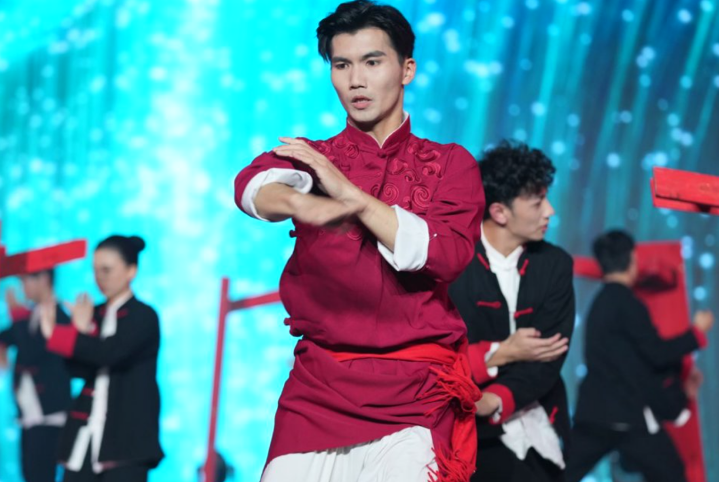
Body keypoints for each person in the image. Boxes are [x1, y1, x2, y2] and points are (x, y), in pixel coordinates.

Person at [233, 1, 485, 481]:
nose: (355, 80)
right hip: (318, 389)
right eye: (341, 65)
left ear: (406, 69)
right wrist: (302, 203)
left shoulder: (451, 163)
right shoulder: (314, 157)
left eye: (372, 62)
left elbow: (445, 254)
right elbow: (253, 186)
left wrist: (352, 198)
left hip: (415, 393)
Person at [448, 140, 574, 482]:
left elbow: (550, 353)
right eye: (537, 202)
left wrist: (495, 398)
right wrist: (500, 352)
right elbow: (437, 357)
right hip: (461, 432)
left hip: (535, 422)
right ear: (500, 212)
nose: (550, 211)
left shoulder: (556, 264)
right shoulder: (452, 262)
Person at [565, 230, 713, 482]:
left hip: (594, 414)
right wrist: (696, 333)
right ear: (632, 259)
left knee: (559, 474)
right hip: (627, 415)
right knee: (673, 475)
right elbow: (657, 354)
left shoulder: (598, 303)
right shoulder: (628, 303)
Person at [40, 235, 163, 482]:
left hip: (126, 441)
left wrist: (71, 335)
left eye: (107, 270)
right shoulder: (94, 312)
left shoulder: (144, 316)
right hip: (85, 435)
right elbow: (77, 369)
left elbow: (110, 353)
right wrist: (78, 331)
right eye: (96, 270)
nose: (100, 278)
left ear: (131, 271)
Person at [0, 269, 71, 482]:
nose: (23, 288)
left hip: (50, 416)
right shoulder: (31, 315)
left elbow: (33, 352)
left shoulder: (59, 316)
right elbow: (5, 336)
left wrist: (18, 315)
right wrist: (0, 347)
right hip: (30, 415)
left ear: (44, 279)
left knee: (40, 475)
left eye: (26, 281)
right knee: (30, 474)